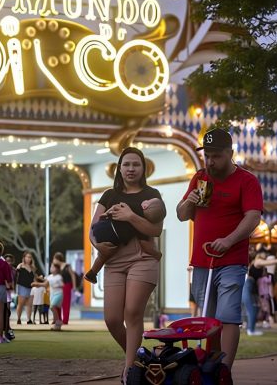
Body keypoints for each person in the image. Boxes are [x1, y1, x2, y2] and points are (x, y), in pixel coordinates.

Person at [177, 127, 263, 370]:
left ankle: (224, 370)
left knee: (228, 315)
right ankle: (210, 367)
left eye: (216, 156)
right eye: (207, 156)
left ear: (230, 153)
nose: (211, 161)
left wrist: (228, 240)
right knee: (208, 317)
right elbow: (181, 215)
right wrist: (188, 202)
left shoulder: (247, 180)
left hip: (232, 259)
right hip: (201, 261)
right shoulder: (200, 178)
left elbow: (253, 217)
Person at [89, 147, 166, 382]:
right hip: (113, 260)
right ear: (119, 168)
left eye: (136, 164)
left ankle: (130, 369)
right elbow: (93, 229)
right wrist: (98, 245)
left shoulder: (152, 195)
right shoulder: (109, 195)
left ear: (143, 169)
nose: (131, 169)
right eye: (126, 164)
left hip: (142, 257)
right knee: (112, 319)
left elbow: (155, 230)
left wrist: (130, 216)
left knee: (132, 312)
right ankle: (140, 359)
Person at [84, 198, 162, 285]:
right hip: (112, 235)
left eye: (149, 200)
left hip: (103, 224)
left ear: (145, 205)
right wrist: (157, 254)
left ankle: (92, 273)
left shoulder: (131, 205)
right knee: (105, 255)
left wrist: (106, 213)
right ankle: (92, 273)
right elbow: (145, 245)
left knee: (104, 254)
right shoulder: (140, 226)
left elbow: (116, 206)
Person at [52, 252, 76, 325]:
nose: (53, 261)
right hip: (60, 287)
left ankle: (65, 320)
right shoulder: (57, 268)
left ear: (58, 259)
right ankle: (59, 319)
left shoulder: (67, 266)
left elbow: (72, 276)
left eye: (54, 259)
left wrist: (74, 286)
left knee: (66, 303)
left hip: (67, 286)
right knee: (58, 302)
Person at [15, 251, 37, 324]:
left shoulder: (32, 267)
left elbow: (34, 277)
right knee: (21, 303)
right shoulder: (21, 265)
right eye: (27, 257)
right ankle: (18, 318)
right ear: (24, 258)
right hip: (22, 286)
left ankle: (29, 319)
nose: (28, 259)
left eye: (30, 257)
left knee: (29, 304)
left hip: (30, 287)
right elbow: (16, 273)